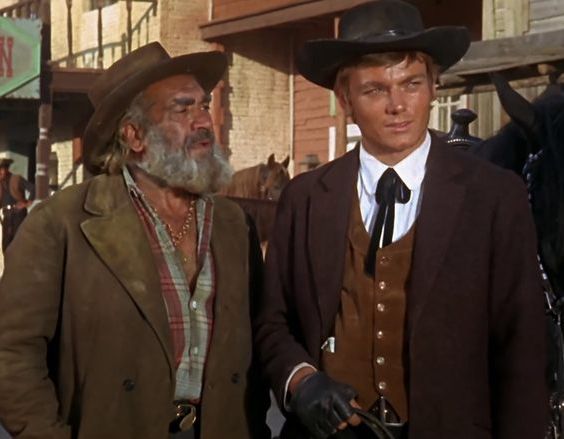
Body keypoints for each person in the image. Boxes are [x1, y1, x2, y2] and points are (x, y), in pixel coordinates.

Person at [254, 1, 547, 438]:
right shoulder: (305, 198)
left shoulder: (493, 196)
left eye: (411, 84)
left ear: (434, 86)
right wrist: (301, 380)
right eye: (375, 90)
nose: (398, 105)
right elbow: (272, 322)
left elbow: (522, 347)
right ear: (345, 101)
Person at [0, 42, 270, 439]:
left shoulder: (233, 224)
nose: (203, 121)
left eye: (204, 105)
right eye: (182, 109)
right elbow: (12, 352)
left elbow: (260, 342)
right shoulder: (62, 224)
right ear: (134, 135)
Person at [0, 157, 34, 251]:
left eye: (1, 169)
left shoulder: (16, 179)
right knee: (6, 245)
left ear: (5, 169)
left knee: (19, 242)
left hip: (19, 214)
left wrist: (26, 203)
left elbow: (32, 188)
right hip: (7, 215)